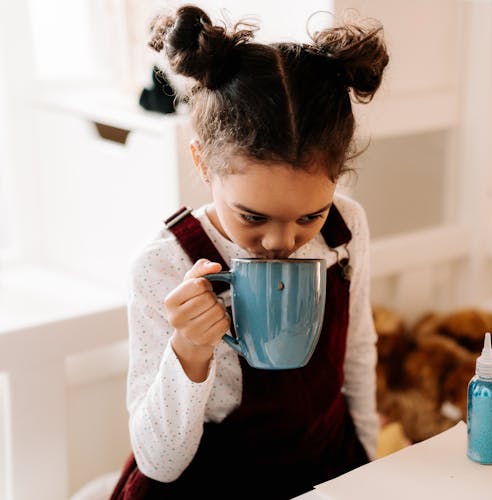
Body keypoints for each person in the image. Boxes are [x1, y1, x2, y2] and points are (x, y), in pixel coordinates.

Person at [110, 5, 388, 499]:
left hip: (325, 465)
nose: (282, 243)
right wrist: (190, 351)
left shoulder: (347, 229)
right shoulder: (162, 265)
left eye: (309, 216)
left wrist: (367, 470)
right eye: (253, 217)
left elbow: (358, 355)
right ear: (202, 161)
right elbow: (159, 462)